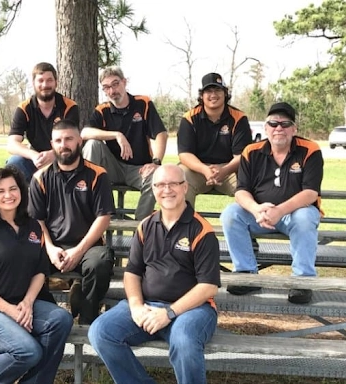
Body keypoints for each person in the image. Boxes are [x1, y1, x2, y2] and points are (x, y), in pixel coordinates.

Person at [88, 164, 221, 384]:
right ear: (153, 189)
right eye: (160, 185)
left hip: (192, 311)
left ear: (185, 187)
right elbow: (132, 273)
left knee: (184, 340)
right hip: (149, 305)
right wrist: (136, 305)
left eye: (173, 184)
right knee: (101, 332)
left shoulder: (202, 230)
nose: (166, 190)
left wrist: (168, 313)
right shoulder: (146, 225)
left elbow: (208, 286)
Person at [0, 166, 73, 384]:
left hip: (21, 304)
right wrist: (9, 310)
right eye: (0, 191)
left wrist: (28, 303)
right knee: (28, 351)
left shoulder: (33, 227)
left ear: (22, 191)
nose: (8, 195)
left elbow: (40, 271)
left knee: (60, 319)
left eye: (13, 188)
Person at [220, 102, 324, 304]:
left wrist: (279, 210)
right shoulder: (251, 151)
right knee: (231, 214)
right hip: (260, 214)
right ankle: (246, 274)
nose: (279, 128)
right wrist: (256, 208)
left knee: (305, 217)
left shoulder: (310, 150)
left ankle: (302, 281)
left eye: (285, 124)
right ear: (265, 128)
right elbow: (241, 191)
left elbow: (311, 193)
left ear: (294, 129)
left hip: (294, 213)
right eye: (273, 123)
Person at [28, 119, 115, 325]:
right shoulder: (40, 177)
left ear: (80, 142)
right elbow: (36, 219)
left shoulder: (97, 175)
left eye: (69, 139)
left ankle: (87, 317)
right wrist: (49, 248)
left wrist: (78, 251)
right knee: (24, 258)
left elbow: (104, 217)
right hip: (51, 245)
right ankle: (50, 315)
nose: (63, 144)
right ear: (52, 144)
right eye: (58, 140)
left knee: (100, 262)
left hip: (88, 245)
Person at [81, 66, 168, 220]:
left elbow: (161, 134)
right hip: (113, 167)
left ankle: (140, 227)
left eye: (115, 84)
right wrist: (116, 135)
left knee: (157, 175)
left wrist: (156, 162)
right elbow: (85, 133)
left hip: (140, 169)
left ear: (124, 82)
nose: (112, 91)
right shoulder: (102, 110)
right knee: (93, 144)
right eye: (106, 87)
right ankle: (95, 214)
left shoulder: (143, 103)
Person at [177, 72, 252, 207]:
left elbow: (241, 156)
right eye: (208, 91)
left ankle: (247, 225)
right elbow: (184, 154)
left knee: (252, 185)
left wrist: (224, 170)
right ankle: (184, 226)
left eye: (218, 90)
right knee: (177, 178)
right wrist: (204, 170)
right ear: (202, 95)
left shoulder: (239, 118)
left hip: (230, 169)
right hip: (197, 169)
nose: (213, 95)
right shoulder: (189, 117)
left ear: (225, 93)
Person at [6, 62, 80, 182]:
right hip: (36, 160)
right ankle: (25, 200)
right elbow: (11, 144)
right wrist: (33, 155)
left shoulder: (69, 107)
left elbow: (73, 140)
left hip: (62, 157)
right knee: (14, 163)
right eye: (40, 80)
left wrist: (54, 154)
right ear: (33, 83)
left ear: (56, 82)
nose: (45, 85)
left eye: (49, 80)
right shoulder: (24, 108)